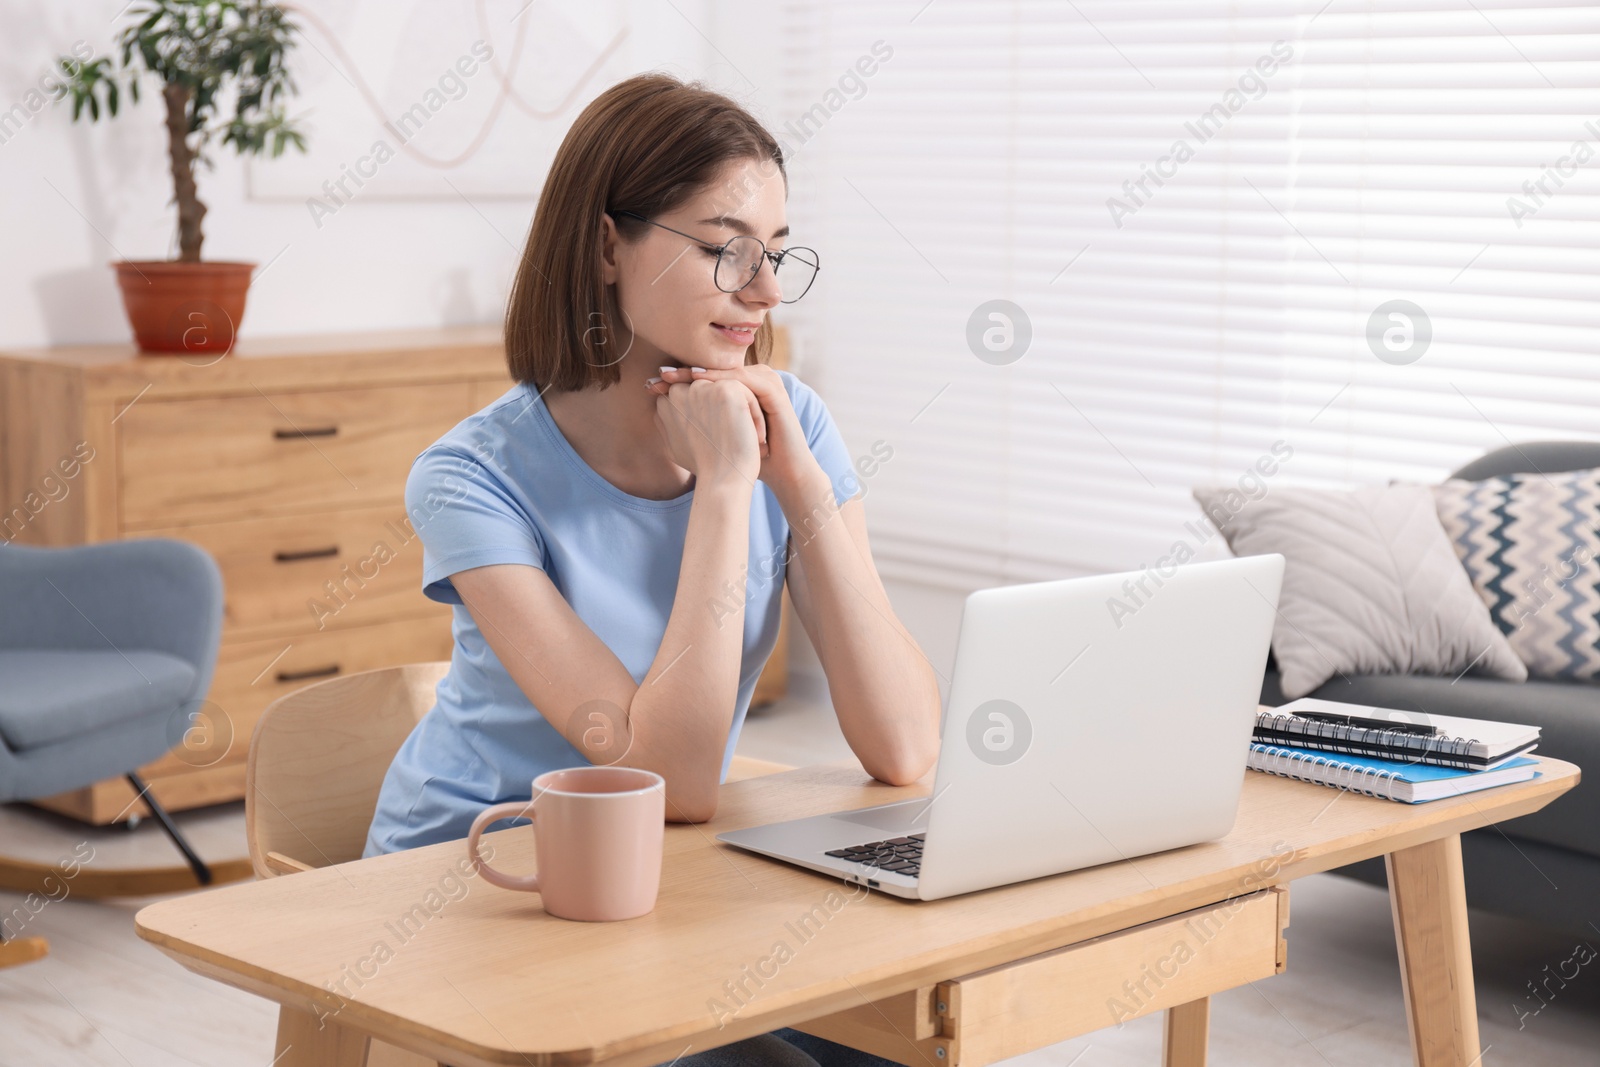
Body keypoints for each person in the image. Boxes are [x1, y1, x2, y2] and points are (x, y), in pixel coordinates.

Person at [363, 72, 942, 1066]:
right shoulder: (470, 478)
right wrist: (723, 487)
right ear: (603, 245)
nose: (762, 292)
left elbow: (902, 744)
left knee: (912, 1038)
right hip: (482, 878)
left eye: (774, 254)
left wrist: (795, 483)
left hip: (667, 873)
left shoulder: (790, 424)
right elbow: (664, 778)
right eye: (724, 250)